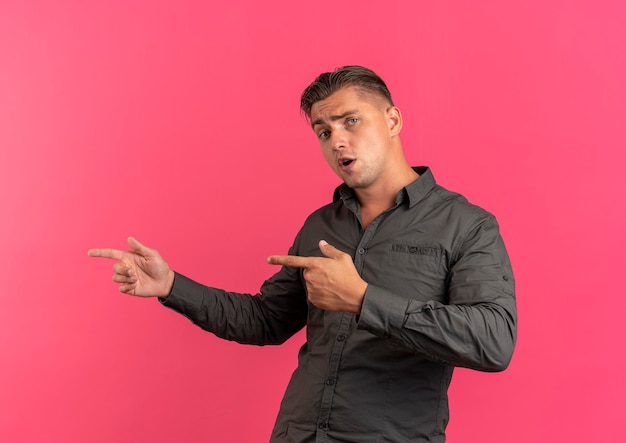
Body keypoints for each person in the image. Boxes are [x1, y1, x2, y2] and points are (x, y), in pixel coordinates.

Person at [88, 66, 517, 442]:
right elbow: (265, 320)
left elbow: (493, 341)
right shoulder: (320, 225)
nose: (338, 141)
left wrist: (364, 300)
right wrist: (171, 286)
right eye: (324, 131)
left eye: (351, 121)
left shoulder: (466, 225)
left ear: (392, 119)